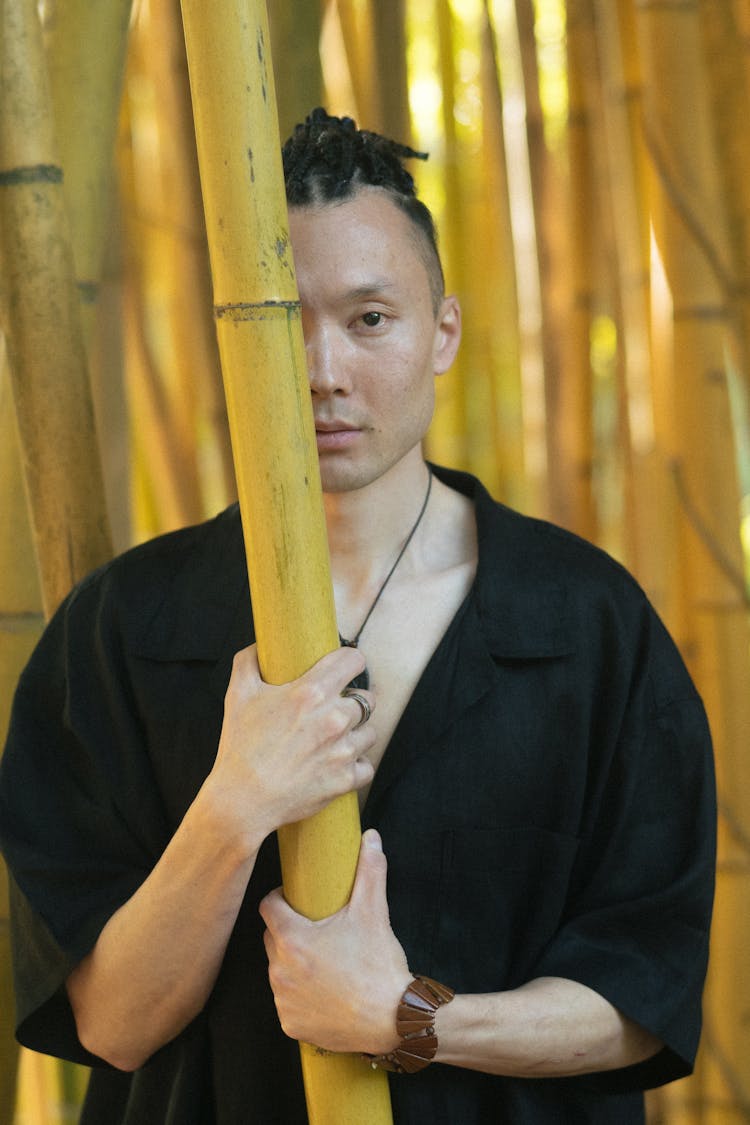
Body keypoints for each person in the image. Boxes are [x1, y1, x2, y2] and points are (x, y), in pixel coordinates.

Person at [0, 108, 715, 1124]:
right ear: (232, 340)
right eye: (282, 318)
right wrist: (232, 806)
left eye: (368, 319)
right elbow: (111, 1025)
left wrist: (405, 1017)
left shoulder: (588, 624)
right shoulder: (123, 630)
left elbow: (642, 1005)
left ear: (442, 333)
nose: (323, 371)